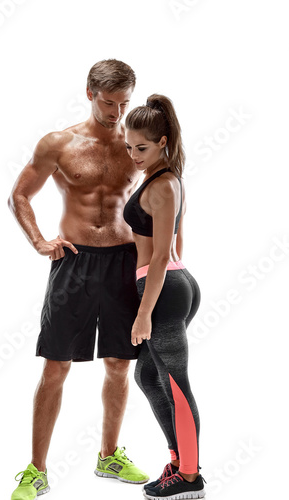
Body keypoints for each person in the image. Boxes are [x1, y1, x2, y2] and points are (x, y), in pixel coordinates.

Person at [8, 59, 149, 500]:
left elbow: (168, 192)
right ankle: (36, 470)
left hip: (126, 262)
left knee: (120, 364)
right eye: (109, 103)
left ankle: (108, 456)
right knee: (56, 366)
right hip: (73, 262)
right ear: (90, 93)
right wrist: (38, 241)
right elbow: (19, 194)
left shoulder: (137, 144)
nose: (116, 112)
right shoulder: (59, 143)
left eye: (124, 103)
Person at [123, 94, 206, 499]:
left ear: (162, 141)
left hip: (163, 288)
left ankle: (190, 477)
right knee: (147, 375)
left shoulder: (163, 184)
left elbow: (158, 258)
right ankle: (178, 459)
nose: (134, 155)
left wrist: (144, 313)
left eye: (141, 147)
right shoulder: (168, 178)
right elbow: (178, 241)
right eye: (129, 147)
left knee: (175, 383)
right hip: (177, 283)